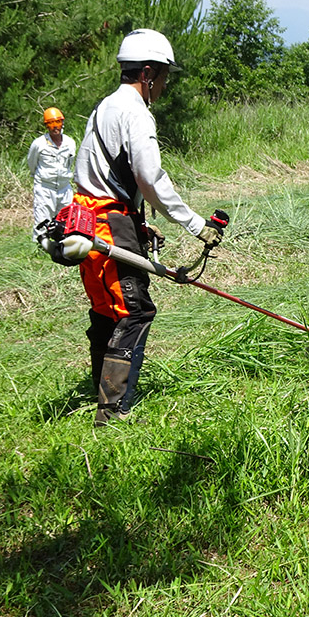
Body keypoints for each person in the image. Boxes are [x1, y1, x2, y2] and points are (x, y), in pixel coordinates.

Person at [62, 28, 226, 426]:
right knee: (134, 312)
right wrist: (195, 224)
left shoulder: (104, 107)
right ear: (148, 73)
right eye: (165, 77)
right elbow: (150, 177)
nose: (165, 85)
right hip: (108, 222)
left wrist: (138, 225)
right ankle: (113, 410)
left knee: (107, 309)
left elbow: (99, 173)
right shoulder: (136, 113)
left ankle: (99, 390)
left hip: (87, 218)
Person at [28, 107, 76, 245]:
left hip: (64, 187)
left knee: (66, 218)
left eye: (58, 122)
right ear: (46, 126)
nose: (55, 127)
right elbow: (32, 163)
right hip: (45, 187)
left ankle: (64, 246)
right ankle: (40, 247)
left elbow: (70, 163)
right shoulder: (39, 144)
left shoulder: (70, 143)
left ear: (62, 123)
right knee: (43, 218)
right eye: (51, 123)